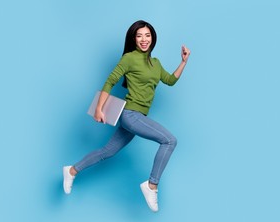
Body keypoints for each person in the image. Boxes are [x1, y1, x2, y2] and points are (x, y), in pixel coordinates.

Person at [63, 20, 190, 212]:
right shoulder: (129, 58)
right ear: (134, 39)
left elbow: (170, 80)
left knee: (108, 151)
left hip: (136, 117)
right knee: (170, 141)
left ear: (153, 38)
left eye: (147, 35)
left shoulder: (155, 63)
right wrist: (99, 108)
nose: (144, 39)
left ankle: (72, 170)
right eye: (139, 36)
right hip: (131, 114)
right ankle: (152, 185)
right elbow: (110, 81)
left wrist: (183, 62)